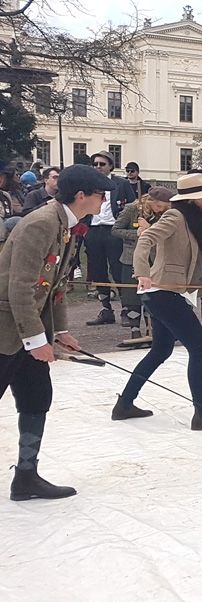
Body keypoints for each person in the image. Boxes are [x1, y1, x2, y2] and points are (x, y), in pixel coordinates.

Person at [1, 164, 113, 501]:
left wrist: (60, 330)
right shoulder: (41, 224)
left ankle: (26, 477)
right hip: (8, 330)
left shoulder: (66, 224)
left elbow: (55, 286)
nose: (103, 200)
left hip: (30, 328)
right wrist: (36, 342)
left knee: (37, 399)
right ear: (81, 196)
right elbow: (19, 288)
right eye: (100, 194)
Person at [113, 172, 202, 431]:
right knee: (200, 347)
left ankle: (125, 404)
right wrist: (141, 272)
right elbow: (146, 239)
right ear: (195, 199)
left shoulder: (196, 220)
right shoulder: (175, 216)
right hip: (161, 292)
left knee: (161, 350)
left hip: (169, 293)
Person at [83, 150, 138, 327]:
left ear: (110, 166)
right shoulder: (88, 185)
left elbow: (132, 206)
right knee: (98, 271)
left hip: (113, 231)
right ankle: (106, 308)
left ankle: (125, 309)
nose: (98, 167)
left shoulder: (120, 184)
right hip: (93, 230)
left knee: (118, 269)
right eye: (96, 164)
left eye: (102, 164)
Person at [112, 187, 174, 340]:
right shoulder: (131, 209)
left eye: (164, 208)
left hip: (154, 259)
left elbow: (165, 234)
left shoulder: (165, 215)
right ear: (150, 202)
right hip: (131, 257)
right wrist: (136, 233)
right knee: (132, 296)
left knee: (151, 296)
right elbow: (116, 230)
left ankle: (150, 330)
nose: (161, 210)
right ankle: (134, 330)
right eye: (159, 206)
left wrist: (149, 229)